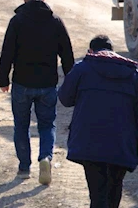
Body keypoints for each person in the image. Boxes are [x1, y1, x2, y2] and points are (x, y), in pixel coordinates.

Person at [0, 0, 74, 184]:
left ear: (24, 0)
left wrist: (3, 79)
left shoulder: (17, 21)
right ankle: (45, 158)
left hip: (22, 83)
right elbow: (66, 53)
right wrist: (71, 80)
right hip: (48, 84)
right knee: (47, 124)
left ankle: (24, 168)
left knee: (21, 126)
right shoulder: (55, 21)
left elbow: (7, 52)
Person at [59, 35, 138, 208]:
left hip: (90, 141)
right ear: (113, 52)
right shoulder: (132, 73)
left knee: (97, 193)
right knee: (115, 187)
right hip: (121, 143)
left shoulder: (82, 69)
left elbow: (65, 98)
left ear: (91, 51)